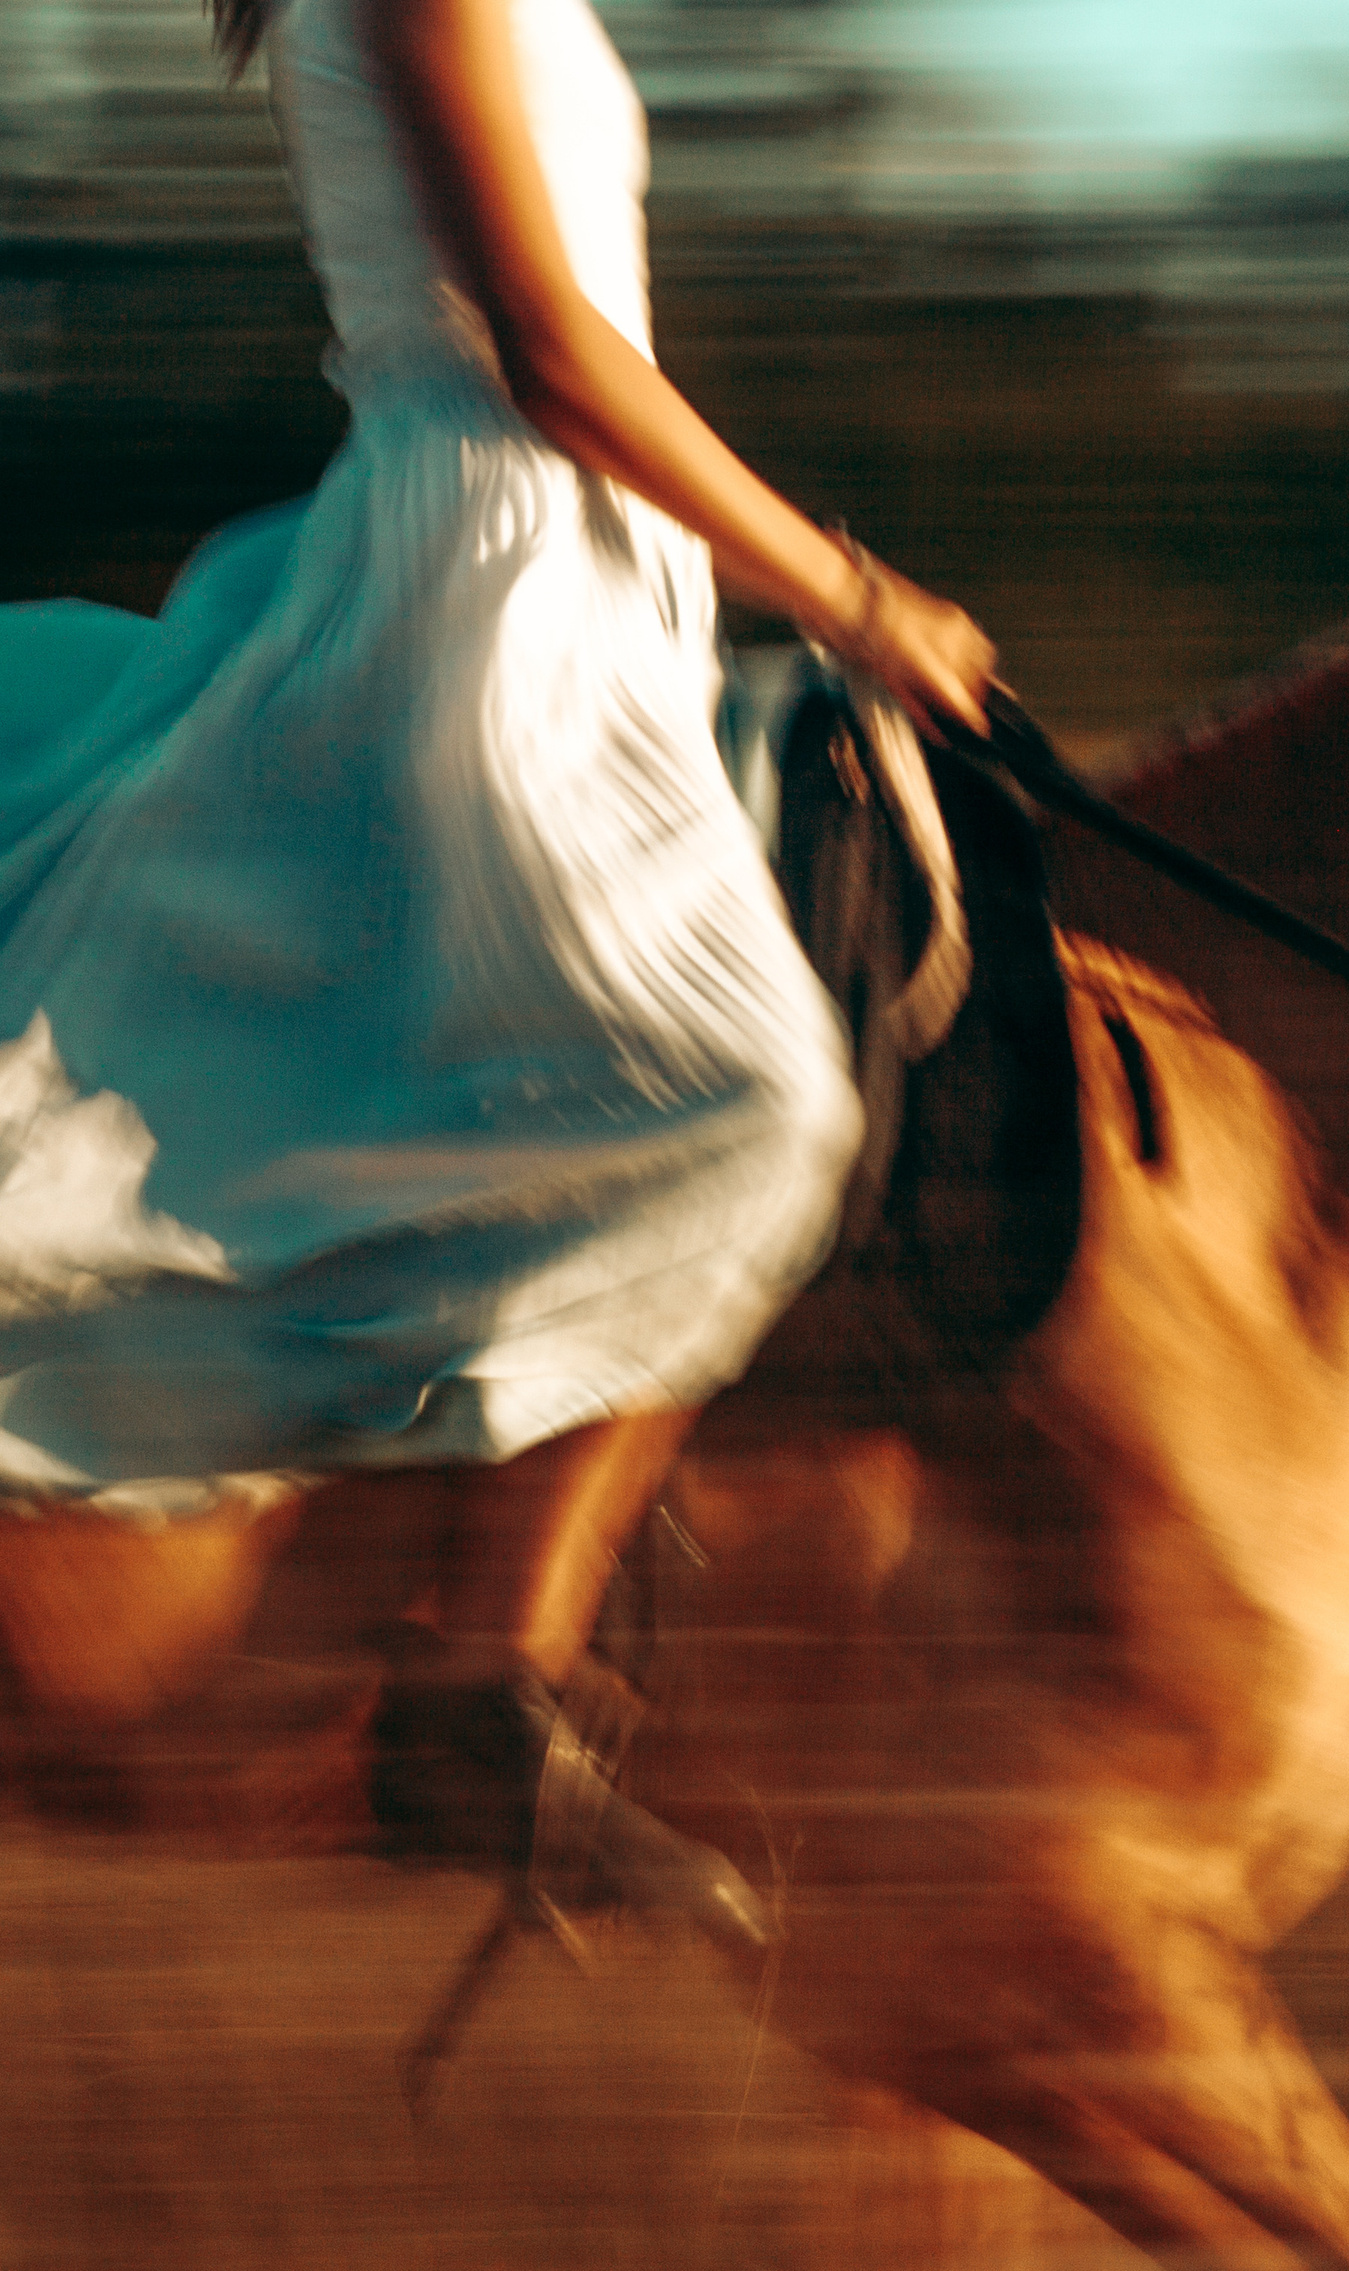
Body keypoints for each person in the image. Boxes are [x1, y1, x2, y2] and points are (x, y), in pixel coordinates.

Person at [0, 0, 996, 1934]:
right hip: (498, 596)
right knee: (749, 1098)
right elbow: (551, 354)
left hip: (603, 588)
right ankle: (481, 1675)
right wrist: (856, 595)